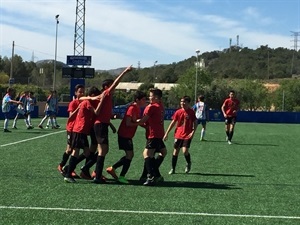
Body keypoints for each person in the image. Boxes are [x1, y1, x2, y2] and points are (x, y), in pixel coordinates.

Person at [92, 65, 133, 184]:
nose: (114, 87)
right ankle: (97, 175)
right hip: (100, 125)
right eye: (111, 86)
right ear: (106, 87)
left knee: (103, 149)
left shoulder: (107, 97)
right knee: (102, 150)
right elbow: (116, 82)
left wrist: (113, 117)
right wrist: (125, 71)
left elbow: (105, 113)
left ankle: (96, 173)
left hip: (102, 124)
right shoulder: (106, 93)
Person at [105, 90, 147, 184]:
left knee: (129, 155)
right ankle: (120, 175)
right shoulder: (132, 108)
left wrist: (144, 126)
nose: (145, 101)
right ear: (137, 100)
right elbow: (128, 123)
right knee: (130, 155)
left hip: (127, 135)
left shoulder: (136, 108)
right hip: (124, 135)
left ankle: (113, 169)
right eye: (144, 99)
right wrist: (141, 122)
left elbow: (135, 121)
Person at [64, 86, 104, 183]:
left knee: (86, 152)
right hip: (79, 130)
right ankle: (68, 174)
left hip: (82, 131)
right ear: (93, 95)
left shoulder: (85, 101)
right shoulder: (87, 103)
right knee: (75, 151)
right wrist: (102, 100)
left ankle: (72, 169)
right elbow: (96, 112)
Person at [136, 88, 167, 186]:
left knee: (146, 154)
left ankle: (151, 176)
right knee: (162, 152)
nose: (149, 98)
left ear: (156, 98)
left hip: (153, 134)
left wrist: (132, 121)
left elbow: (142, 121)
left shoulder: (152, 107)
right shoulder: (161, 106)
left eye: (151, 96)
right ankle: (156, 175)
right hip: (158, 134)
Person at [163, 96, 197, 174]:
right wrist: (166, 133)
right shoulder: (178, 112)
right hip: (178, 135)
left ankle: (188, 163)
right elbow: (173, 122)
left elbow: (195, 122)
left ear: (188, 103)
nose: (182, 103)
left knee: (185, 151)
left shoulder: (191, 112)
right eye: (181, 101)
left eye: (184, 101)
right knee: (175, 152)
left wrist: (193, 132)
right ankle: (173, 168)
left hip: (187, 135)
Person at [57, 84, 85, 176]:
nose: (82, 93)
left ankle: (70, 167)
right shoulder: (73, 103)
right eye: (80, 92)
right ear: (76, 93)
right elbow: (70, 116)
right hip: (71, 128)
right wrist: (78, 108)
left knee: (80, 151)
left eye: (83, 91)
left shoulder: (85, 101)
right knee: (70, 150)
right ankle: (62, 165)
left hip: (79, 129)